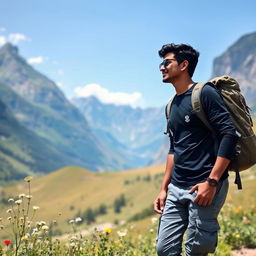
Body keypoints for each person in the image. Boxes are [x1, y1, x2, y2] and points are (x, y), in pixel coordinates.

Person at [153, 43, 239, 256]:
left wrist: (212, 182)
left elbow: (229, 135)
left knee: (198, 249)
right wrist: (164, 188)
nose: (161, 67)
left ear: (183, 65)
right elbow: (174, 148)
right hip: (176, 188)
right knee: (164, 250)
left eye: (166, 62)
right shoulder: (171, 104)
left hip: (204, 185)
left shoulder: (205, 93)